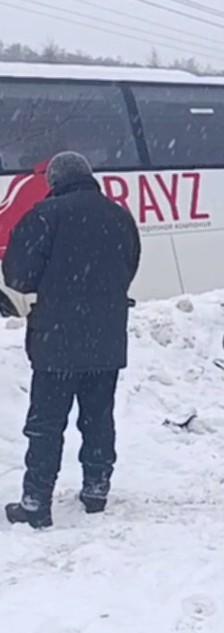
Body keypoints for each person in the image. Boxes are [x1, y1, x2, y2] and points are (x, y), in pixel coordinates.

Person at [2, 151, 140, 528]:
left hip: (56, 341)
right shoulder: (119, 216)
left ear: (54, 181)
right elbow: (129, 266)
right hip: (106, 337)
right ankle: (96, 489)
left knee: (46, 424)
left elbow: (18, 278)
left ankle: (36, 502)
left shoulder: (44, 216)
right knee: (98, 418)